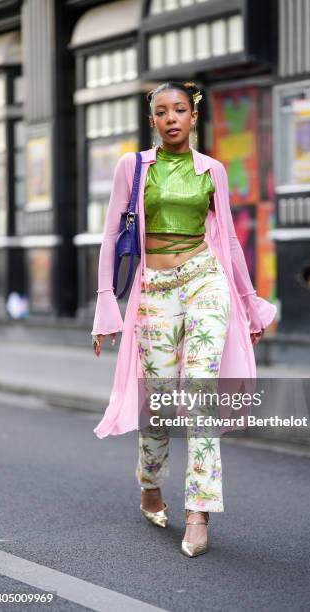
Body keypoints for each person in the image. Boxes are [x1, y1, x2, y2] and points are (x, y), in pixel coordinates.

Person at [91, 81, 277, 558]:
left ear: (194, 117)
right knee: (156, 402)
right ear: (151, 119)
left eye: (180, 110)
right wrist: (105, 303)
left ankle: (199, 510)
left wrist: (249, 300)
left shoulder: (212, 170)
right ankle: (150, 483)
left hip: (204, 280)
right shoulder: (132, 168)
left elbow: (230, 240)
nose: (171, 118)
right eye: (161, 111)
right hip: (154, 287)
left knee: (199, 389)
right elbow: (112, 236)